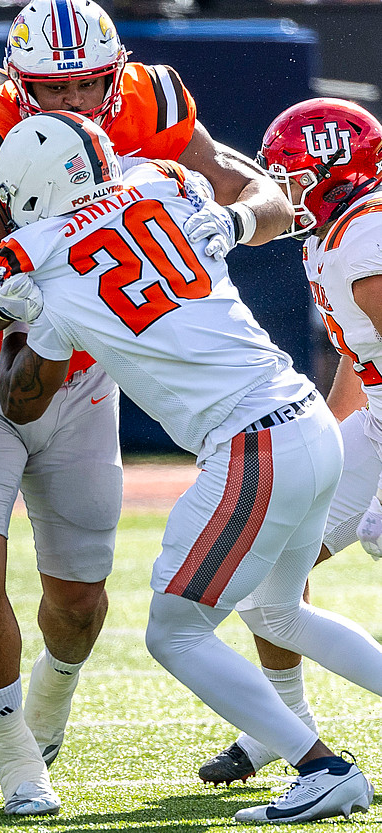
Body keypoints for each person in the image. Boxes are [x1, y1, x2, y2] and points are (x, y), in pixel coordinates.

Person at [0, 0, 294, 814]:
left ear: (113, 76)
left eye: (88, 86)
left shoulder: (150, 107)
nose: (72, 105)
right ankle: (17, 750)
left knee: (80, 601)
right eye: (52, 90)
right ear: (17, 84)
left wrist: (228, 221)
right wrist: (9, 301)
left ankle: (54, 691)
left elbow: (264, 192)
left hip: (85, 373)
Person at [0, 111, 378, 824]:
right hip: (310, 418)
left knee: (175, 629)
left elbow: (24, 399)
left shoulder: (38, 256)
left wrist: (17, 316)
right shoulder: (161, 184)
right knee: (275, 609)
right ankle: (312, 757)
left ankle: (322, 767)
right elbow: (233, 194)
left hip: (251, 442)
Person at [197, 97, 382, 785]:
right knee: (271, 578)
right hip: (375, 422)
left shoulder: (366, 239)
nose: (284, 191)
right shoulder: (336, 236)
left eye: (293, 175)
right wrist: (324, 446)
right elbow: (359, 360)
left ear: (337, 172)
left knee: (272, 584)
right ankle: (285, 725)